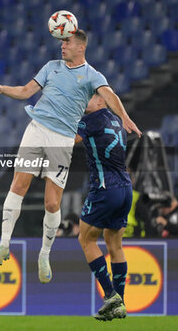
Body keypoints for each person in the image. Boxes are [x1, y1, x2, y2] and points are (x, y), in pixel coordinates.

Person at [0, 29, 141, 284]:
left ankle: (44, 254)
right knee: (19, 185)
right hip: (36, 129)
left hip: (62, 139)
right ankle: (4, 243)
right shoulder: (51, 67)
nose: (62, 46)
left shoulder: (92, 76)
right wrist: (3, 90)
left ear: (81, 48)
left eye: (67, 42)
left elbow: (110, 95)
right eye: (62, 42)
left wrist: (126, 118)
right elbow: (25, 91)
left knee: (52, 204)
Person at [76, 94, 133, 321]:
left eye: (88, 97)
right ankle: (119, 302)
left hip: (104, 188)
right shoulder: (117, 120)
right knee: (114, 244)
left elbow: (71, 139)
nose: (84, 101)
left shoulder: (91, 120)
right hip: (125, 188)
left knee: (86, 239)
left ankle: (110, 294)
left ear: (101, 100)